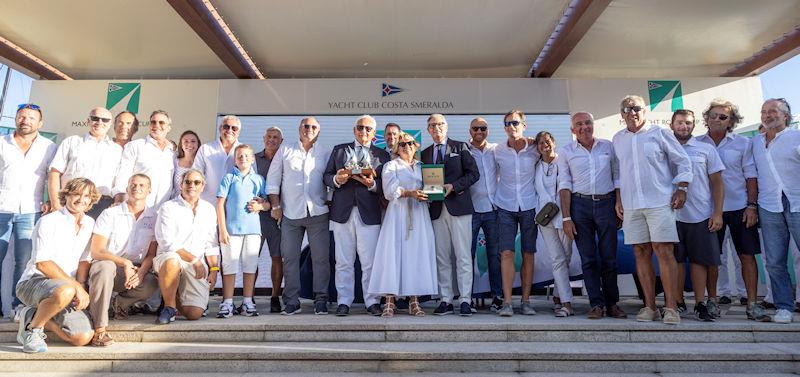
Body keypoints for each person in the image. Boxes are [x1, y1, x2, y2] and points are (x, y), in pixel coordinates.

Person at [612, 95, 692, 325]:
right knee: (640, 252)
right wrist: (619, 198)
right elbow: (618, 172)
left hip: (660, 201)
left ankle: (671, 307)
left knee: (664, 251)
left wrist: (682, 188)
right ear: (622, 115)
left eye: (636, 108)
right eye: (627, 109)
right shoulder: (618, 139)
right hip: (632, 204)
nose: (632, 112)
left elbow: (682, 161)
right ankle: (649, 307)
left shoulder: (660, 134)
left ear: (644, 111)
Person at [695, 98, 766, 320]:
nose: (717, 119)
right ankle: (713, 301)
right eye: (713, 115)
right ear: (706, 119)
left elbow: (751, 177)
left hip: (739, 208)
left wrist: (752, 206)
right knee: (712, 259)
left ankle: (752, 304)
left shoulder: (744, 144)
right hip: (707, 210)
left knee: (746, 256)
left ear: (731, 121)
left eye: (723, 116)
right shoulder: (696, 143)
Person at [15, 178, 100, 352]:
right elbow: (43, 264)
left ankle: (32, 316)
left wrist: (81, 287)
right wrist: (76, 286)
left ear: (91, 200)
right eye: (76, 194)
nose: (81, 199)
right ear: (66, 194)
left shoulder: (90, 223)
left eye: (86, 196)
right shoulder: (48, 221)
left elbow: (85, 260)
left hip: (67, 290)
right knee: (66, 290)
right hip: (34, 282)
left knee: (81, 338)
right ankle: (32, 331)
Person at [557, 112, 625, 320]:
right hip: (580, 206)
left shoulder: (608, 146)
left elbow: (617, 176)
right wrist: (567, 218)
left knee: (609, 258)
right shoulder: (566, 151)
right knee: (588, 259)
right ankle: (596, 304)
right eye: (579, 124)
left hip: (606, 204)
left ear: (593, 125)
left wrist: (619, 203)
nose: (584, 127)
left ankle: (612, 303)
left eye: (587, 123)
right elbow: (565, 185)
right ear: (572, 129)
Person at [324, 115, 390, 316]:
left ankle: (372, 301)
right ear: (354, 130)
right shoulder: (339, 150)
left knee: (370, 262)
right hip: (342, 212)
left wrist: (373, 185)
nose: (364, 131)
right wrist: (337, 179)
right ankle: (344, 301)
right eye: (360, 127)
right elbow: (326, 176)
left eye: (368, 129)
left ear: (374, 133)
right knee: (343, 261)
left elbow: (386, 186)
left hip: (369, 213)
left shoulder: (382, 155)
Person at [266, 117, 331, 315]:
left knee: (320, 259)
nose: (309, 129)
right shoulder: (285, 150)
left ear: (318, 130)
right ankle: (291, 301)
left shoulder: (325, 152)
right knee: (290, 259)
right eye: (305, 126)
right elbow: (273, 179)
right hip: (291, 214)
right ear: (299, 128)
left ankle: (321, 299)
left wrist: (329, 201)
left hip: (318, 213)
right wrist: (275, 205)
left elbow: (330, 181)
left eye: (313, 127)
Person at [368, 132, 438, 317]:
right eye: (402, 144)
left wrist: (429, 195)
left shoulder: (423, 167)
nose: (406, 146)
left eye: (410, 143)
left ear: (416, 146)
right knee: (393, 255)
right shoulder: (391, 166)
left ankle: (413, 301)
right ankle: (389, 301)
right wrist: (409, 193)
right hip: (398, 214)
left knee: (416, 256)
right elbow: (389, 191)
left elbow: (432, 189)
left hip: (419, 214)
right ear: (397, 148)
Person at [87, 174, 159, 345]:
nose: (137, 188)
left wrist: (140, 273)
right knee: (105, 268)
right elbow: (97, 251)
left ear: (149, 190)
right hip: (107, 264)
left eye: (142, 185)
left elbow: (151, 254)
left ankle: (117, 304)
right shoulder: (110, 213)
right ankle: (99, 329)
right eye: (133, 185)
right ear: (127, 189)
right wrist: (124, 263)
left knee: (151, 283)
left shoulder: (154, 217)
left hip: (134, 269)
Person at [1, 103, 57, 319]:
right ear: (16, 119)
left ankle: (18, 306)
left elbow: (52, 177)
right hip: (2, 208)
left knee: (24, 262)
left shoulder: (48, 147)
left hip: (31, 211)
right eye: (22, 116)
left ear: (40, 123)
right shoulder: (2, 142)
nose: (25, 120)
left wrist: (47, 200)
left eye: (31, 118)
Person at [669, 109, 725, 322]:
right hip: (671, 215)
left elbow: (718, 182)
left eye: (688, 123)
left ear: (694, 126)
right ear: (671, 124)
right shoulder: (663, 149)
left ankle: (701, 303)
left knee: (700, 261)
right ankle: (678, 302)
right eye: (680, 122)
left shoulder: (705, 149)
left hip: (701, 214)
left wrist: (717, 212)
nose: (684, 126)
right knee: (676, 261)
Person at [421, 114, 479, 316]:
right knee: (442, 256)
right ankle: (445, 299)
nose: (436, 128)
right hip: (436, 210)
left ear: (446, 126)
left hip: (460, 207)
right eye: (432, 125)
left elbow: (474, 174)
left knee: (463, 255)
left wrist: (454, 186)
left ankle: (465, 299)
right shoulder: (425, 153)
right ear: (428, 129)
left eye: (439, 124)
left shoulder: (460, 147)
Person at [751, 98, 799, 324]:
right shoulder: (755, 143)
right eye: (764, 112)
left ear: (786, 115)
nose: (767, 115)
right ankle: (784, 307)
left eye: (773, 111)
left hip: (797, 202)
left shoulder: (796, 137)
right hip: (769, 204)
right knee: (774, 261)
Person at [153, 169, 220, 324]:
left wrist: (214, 270)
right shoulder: (168, 207)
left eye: (197, 182)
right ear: (181, 185)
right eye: (187, 182)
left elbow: (211, 242)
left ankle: (173, 293)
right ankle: (169, 307)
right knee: (172, 260)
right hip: (169, 258)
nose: (192, 185)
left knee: (194, 314)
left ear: (203, 186)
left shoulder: (209, 209)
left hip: (194, 264)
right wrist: (195, 261)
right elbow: (167, 243)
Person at [493, 110, 538, 317]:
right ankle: (508, 303)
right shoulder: (498, 150)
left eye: (516, 123)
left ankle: (526, 301)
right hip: (505, 206)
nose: (512, 126)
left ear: (524, 125)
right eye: (508, 123)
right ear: (504, 128)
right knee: (507, 253)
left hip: (530, 206)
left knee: (528, 253)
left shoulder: (536, 147)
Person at [216, 144, 266, 318]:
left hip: (253, 231)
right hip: (231, 231)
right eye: (240, 156)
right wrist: (222, 229)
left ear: (252, 159)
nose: (243, 159)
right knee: (229, 265)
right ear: (235, 160)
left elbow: (265, 203)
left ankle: (247, 301)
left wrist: (261, 205)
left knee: (250, 266)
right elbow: (220, 204)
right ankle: (227, 302)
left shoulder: (259, 179)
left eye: (247, 156)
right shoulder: (229, 178)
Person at [48, 107, 122, 219]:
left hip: (103, 205)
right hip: (72, 202)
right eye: (95, 118)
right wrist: (55, 204)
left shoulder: (117, 150)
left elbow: (119, 181)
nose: (99, 122)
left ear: (110, 123)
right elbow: (54, 173)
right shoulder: (71, 142)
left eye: (105, 120)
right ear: (88, 121)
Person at [533, 131, 575, 317]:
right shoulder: (535, 165)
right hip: (544, 219)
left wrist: (568, 217)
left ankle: (558, 297)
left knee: (565, 257)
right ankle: (567, 303)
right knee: (557, 259)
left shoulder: (563, 161)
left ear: (554, 143)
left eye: (547, 141)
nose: (544, 145)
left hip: (564, 216)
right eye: (540, 143)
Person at [467, 117, 502, 311]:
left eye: (483, 128)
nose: (479, 131)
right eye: (475, 128)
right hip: (471, 209)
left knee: (495, 256)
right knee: (468, 255)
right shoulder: (464, 151)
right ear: (469, 131)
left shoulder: (496, 149)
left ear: (488, 131)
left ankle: (497, 297)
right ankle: (468, 297)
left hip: (493, 209)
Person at [113, 110, 175, 207]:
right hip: (137, 207)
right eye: (153, 122)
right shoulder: (135, 146)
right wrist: (120, 201)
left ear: (169, 128)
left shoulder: (172, 151)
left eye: (161, 122)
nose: (157, 125)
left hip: (163, 209)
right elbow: (123, 175)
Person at [254, 127, 285, 313]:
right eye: (269, 137)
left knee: (277, 257)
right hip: (255, 215)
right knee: (252, 258)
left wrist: (275, 206)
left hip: (276, 215)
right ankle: (249, 297)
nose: (272, 140)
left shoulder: (284, 160)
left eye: (276, 138)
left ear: (281, 141)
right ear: (264, 138)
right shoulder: (253, 159)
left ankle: (275, 296)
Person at [194, 115, 243, 204]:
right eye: (226, 126)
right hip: (208, 203)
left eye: (234, 128)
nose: (229, 130)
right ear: (220, 128)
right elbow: (196, 175)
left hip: (235, 205)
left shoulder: (244, 152)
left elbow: (251, 176)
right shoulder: (206, 149)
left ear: (238, 132)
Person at [174, 130, 201, 199]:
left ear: (198, 144)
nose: (189, 144)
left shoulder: (202, 162)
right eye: (186, 141)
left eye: (193, 141)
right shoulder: (174, 161)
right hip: (176, 202)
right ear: (181, 145)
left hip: (196, 203)